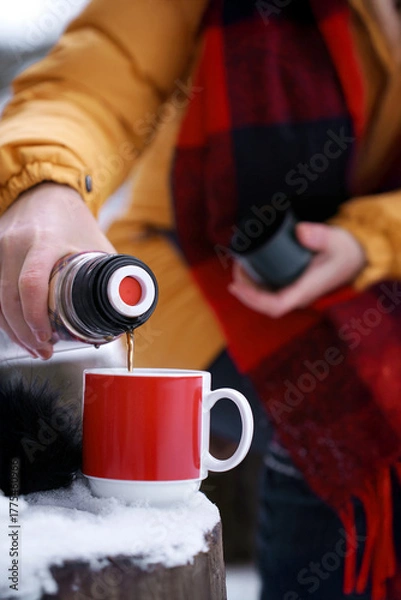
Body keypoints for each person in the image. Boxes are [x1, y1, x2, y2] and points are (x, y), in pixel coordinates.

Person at [1, 0, 401, 598]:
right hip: (197, 283)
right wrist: (43, 185)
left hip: (369, 286)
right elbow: (91, 83)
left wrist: (365, 238)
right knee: (330, 421)